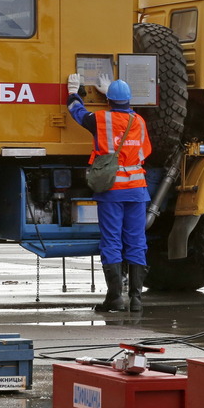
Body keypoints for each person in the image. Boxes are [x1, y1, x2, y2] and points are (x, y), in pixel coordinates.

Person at [66, 73, 152, 313]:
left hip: (111, 189)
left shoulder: (101, 119)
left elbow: (78, 113)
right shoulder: (139, 122)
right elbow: (145, 152)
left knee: (112, 242)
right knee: (136, 242)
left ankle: (115, 298)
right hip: (136, 190)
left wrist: (73, 92)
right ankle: (136, 299)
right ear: (128, 99)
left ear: (109, 100)